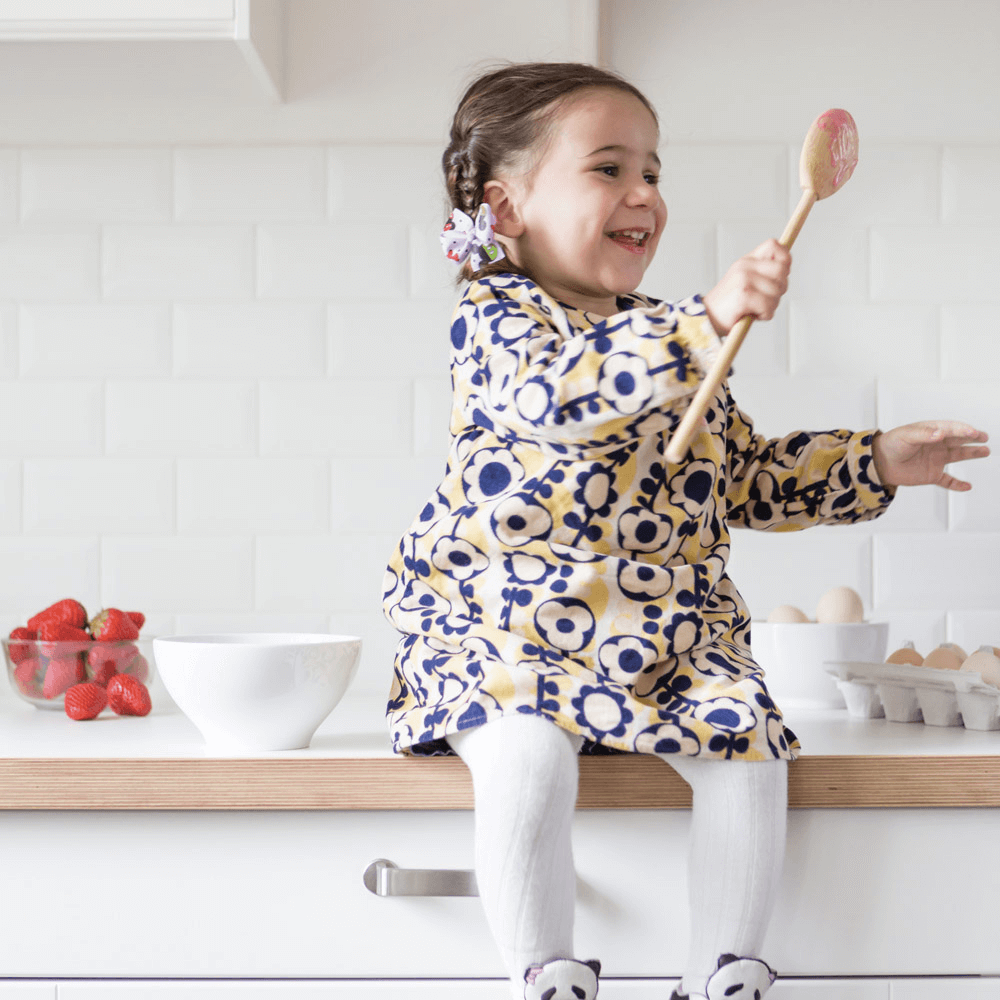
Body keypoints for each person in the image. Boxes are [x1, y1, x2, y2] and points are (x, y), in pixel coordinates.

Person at [381, 62, 989, 1000]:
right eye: (609, 169)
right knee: (528, 755)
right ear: (505, 209)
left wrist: (873, 461)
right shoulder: (499, 322)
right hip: (507, 628)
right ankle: (544, 967)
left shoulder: (676, 333)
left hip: (666, 636)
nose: (643, 196)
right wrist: (702, 323)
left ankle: (725, 969)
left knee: (748, 742)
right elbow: (564, 398)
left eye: (654, 173)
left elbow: (739, 477)